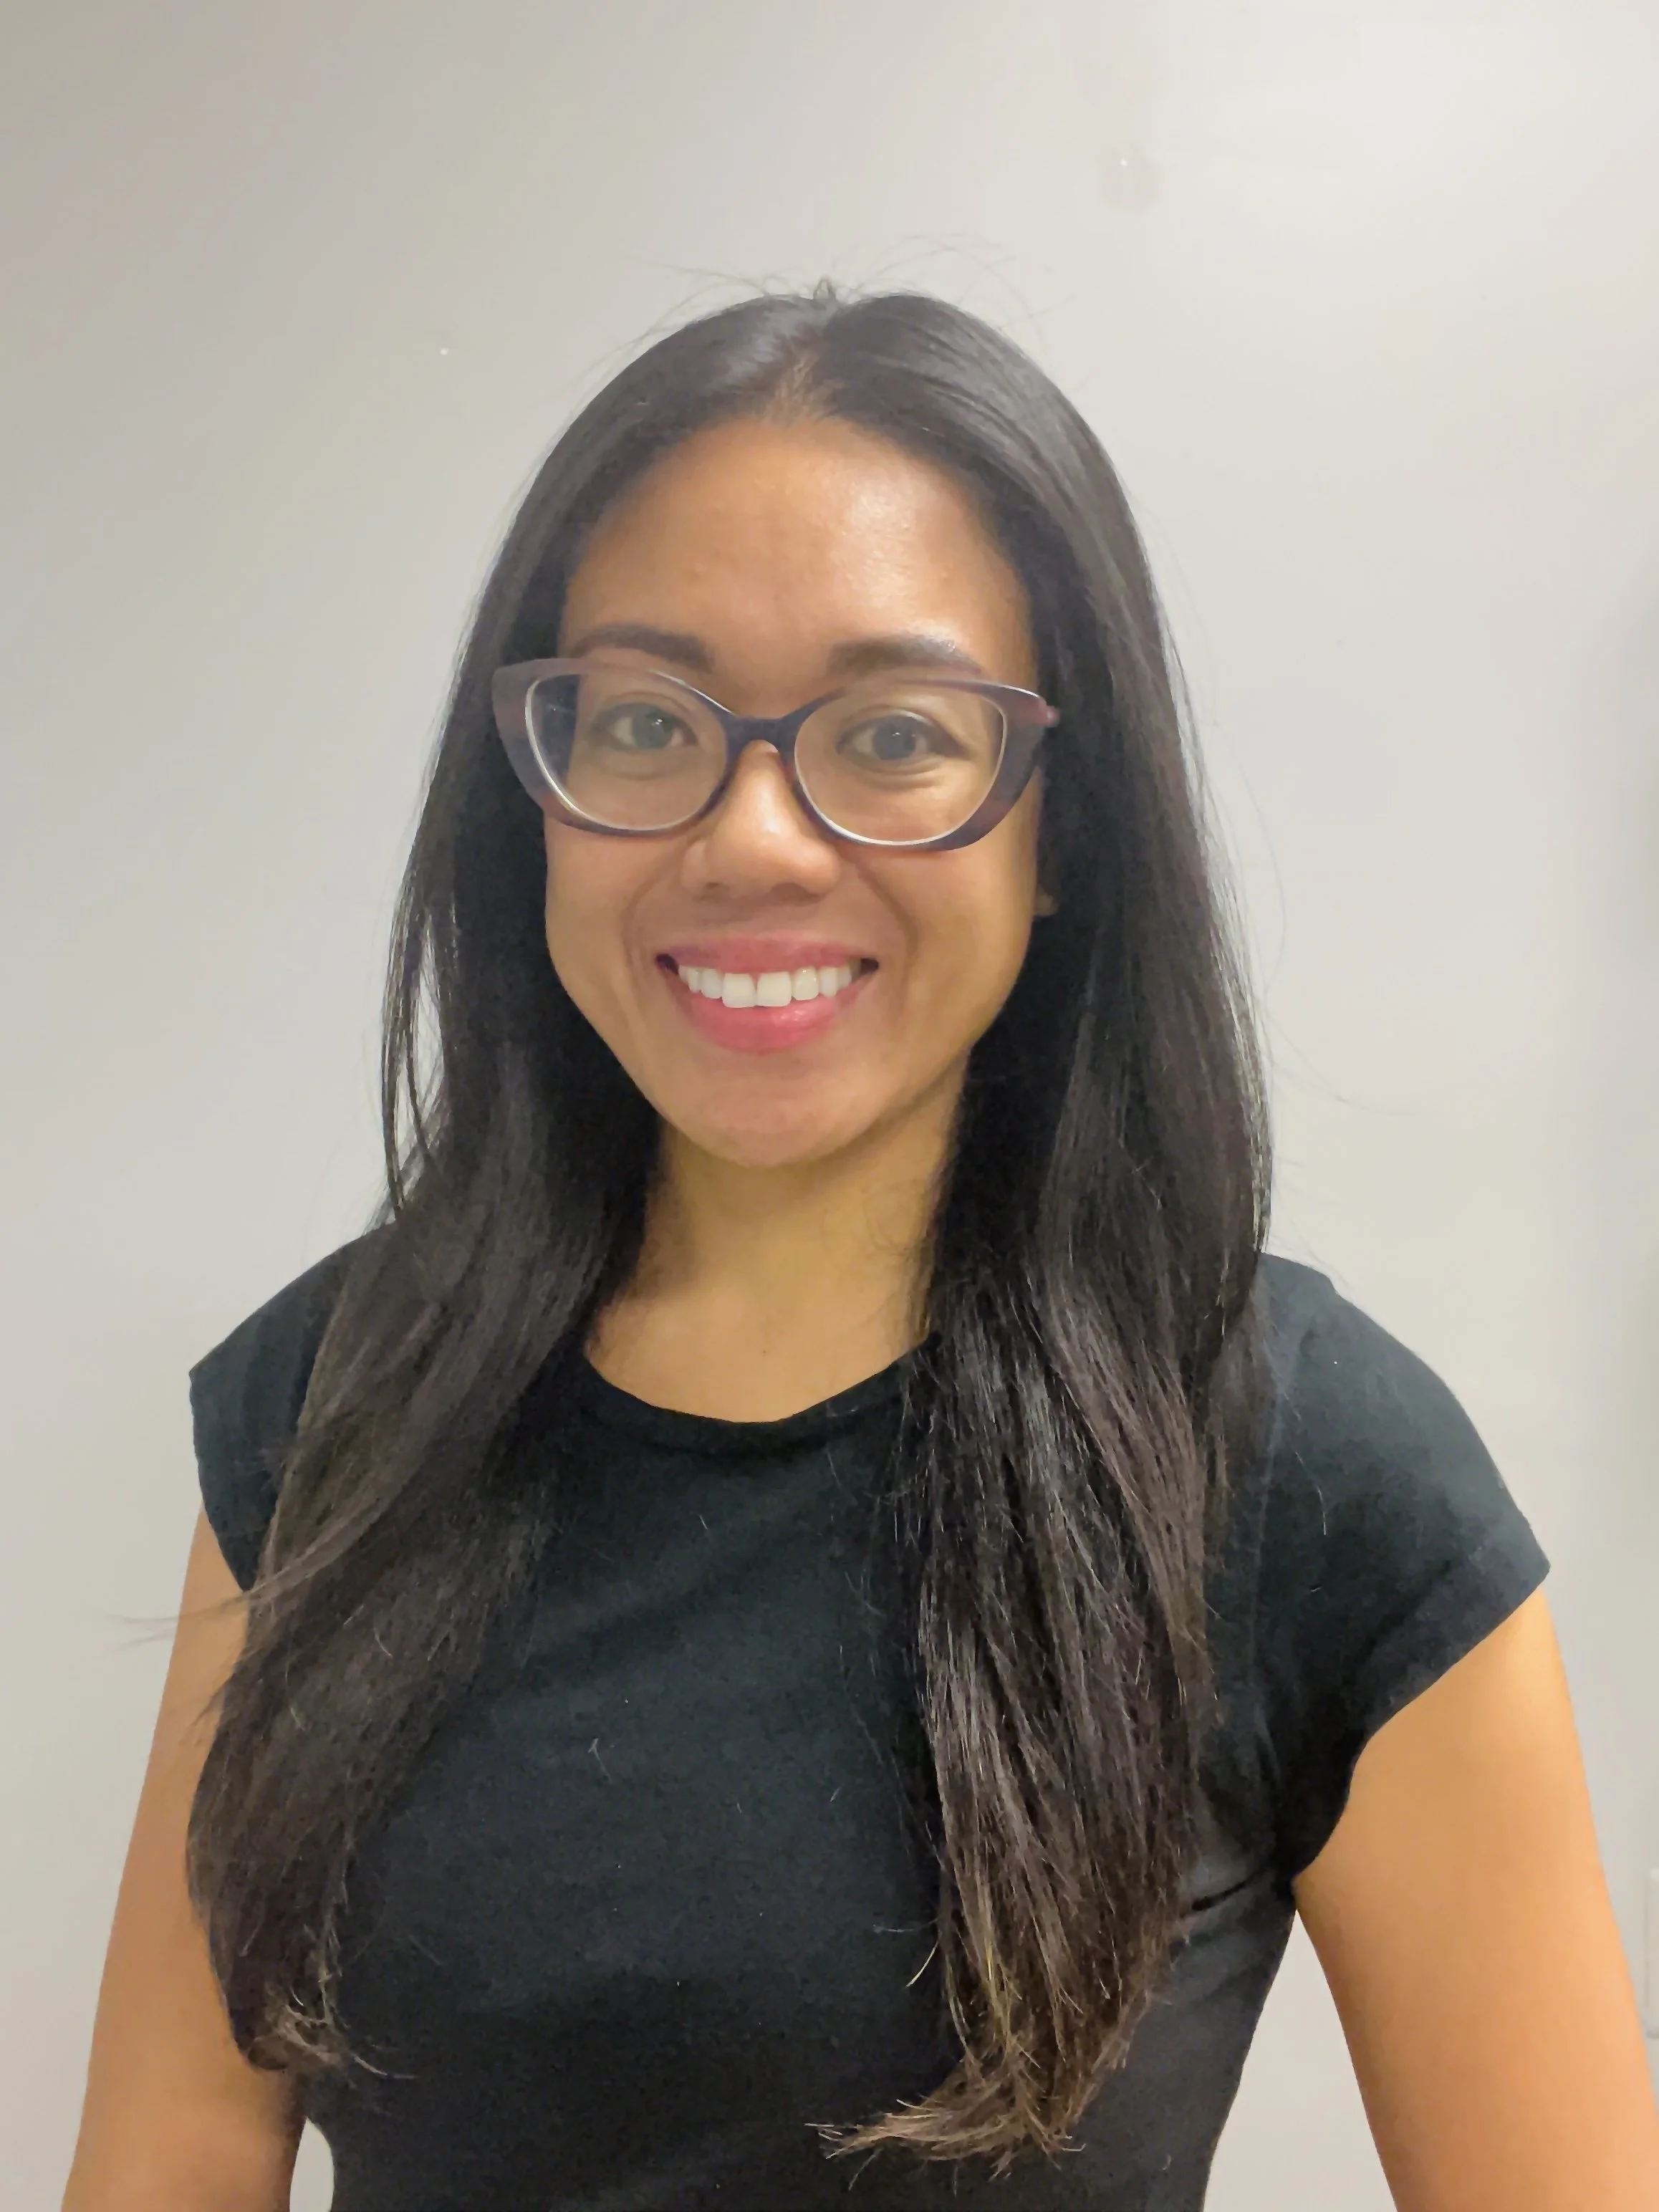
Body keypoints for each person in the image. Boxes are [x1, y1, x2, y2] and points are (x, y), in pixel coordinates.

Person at [65, 287, 1659, 2212]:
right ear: (536, 798)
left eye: (893, 733)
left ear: (1060, 827)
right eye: (646, 722)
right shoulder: (327, 1409)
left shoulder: (1312, 1469)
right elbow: (163, 2162)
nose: (751, 839)